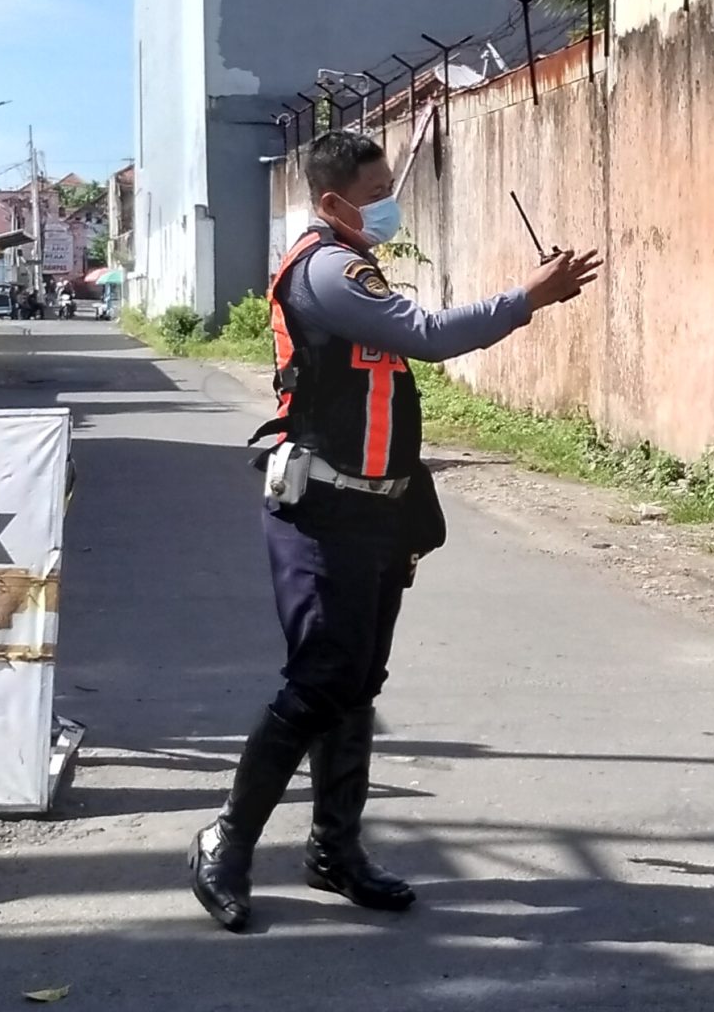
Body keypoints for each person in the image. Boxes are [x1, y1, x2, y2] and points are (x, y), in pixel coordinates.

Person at [188, 130, 602, 933]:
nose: (389, 202)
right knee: (321, 680)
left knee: (358, 683)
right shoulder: (327, 271)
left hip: (377, 509)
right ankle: (225, 840)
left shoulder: (359, 264)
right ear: (335, 201)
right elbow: (431, 335)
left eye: (388, 186)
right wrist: (528, 297)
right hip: (322, 512)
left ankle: (334, 850)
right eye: (376, 191)